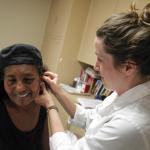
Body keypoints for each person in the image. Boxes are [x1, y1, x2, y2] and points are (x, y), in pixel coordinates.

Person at [35, 2, 150, 150]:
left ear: (128, 67)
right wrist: (57, 91)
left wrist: (50, 105)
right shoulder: (124, 92)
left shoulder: (130, 124)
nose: (95, 67)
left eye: (100, 59)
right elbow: (90, 118)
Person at [0, 44, 50, 150]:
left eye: (28, 80)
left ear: (41, 79)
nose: (20, 88)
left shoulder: (42, 106)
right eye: (11, 80)